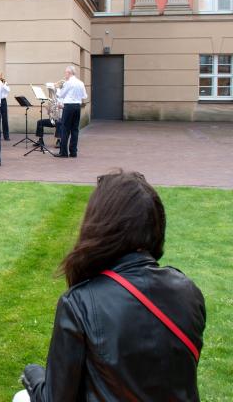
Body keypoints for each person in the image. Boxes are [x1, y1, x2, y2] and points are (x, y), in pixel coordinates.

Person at [14, 170, 206, 402]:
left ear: (100, 226)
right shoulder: (188, 291)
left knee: (22, 398)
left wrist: (34, 375)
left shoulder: (80, 302)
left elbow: (56, 398)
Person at [54, 66, 87, 158]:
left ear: (69, 73)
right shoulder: (80, 83)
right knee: (75, 129)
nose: (65, 74)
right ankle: (73, 152)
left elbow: (61, 95)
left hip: (68, 106)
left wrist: (57, 88)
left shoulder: (68, 83)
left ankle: (63, 152)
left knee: (65, 129)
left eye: (65, 73)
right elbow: (84, 96)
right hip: (77, 106)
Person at [0, 71, 10, 141]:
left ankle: (6, 136)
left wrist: (2, 84)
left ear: (0, 76)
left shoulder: (4, 82)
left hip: (3, 101)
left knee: (4, 119)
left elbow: (8, 90)